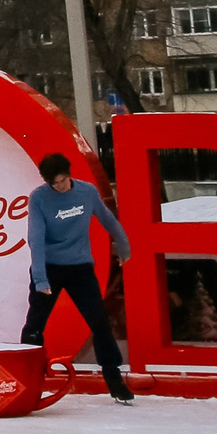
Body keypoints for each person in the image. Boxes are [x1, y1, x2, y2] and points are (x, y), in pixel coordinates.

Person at [22, 152, 134, 405]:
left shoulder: (87, 192)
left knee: (99, 322)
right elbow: (36, 239)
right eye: (55, 183)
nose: (60, 187)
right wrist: (40, 279)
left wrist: (124, 246)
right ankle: (27, 377)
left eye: (63, 181)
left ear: (69, 174)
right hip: (49, 267)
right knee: (35, 325)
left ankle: (114, 379)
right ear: (47, 182)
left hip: (80, 267)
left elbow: (108, 220)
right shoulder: (39, 198)